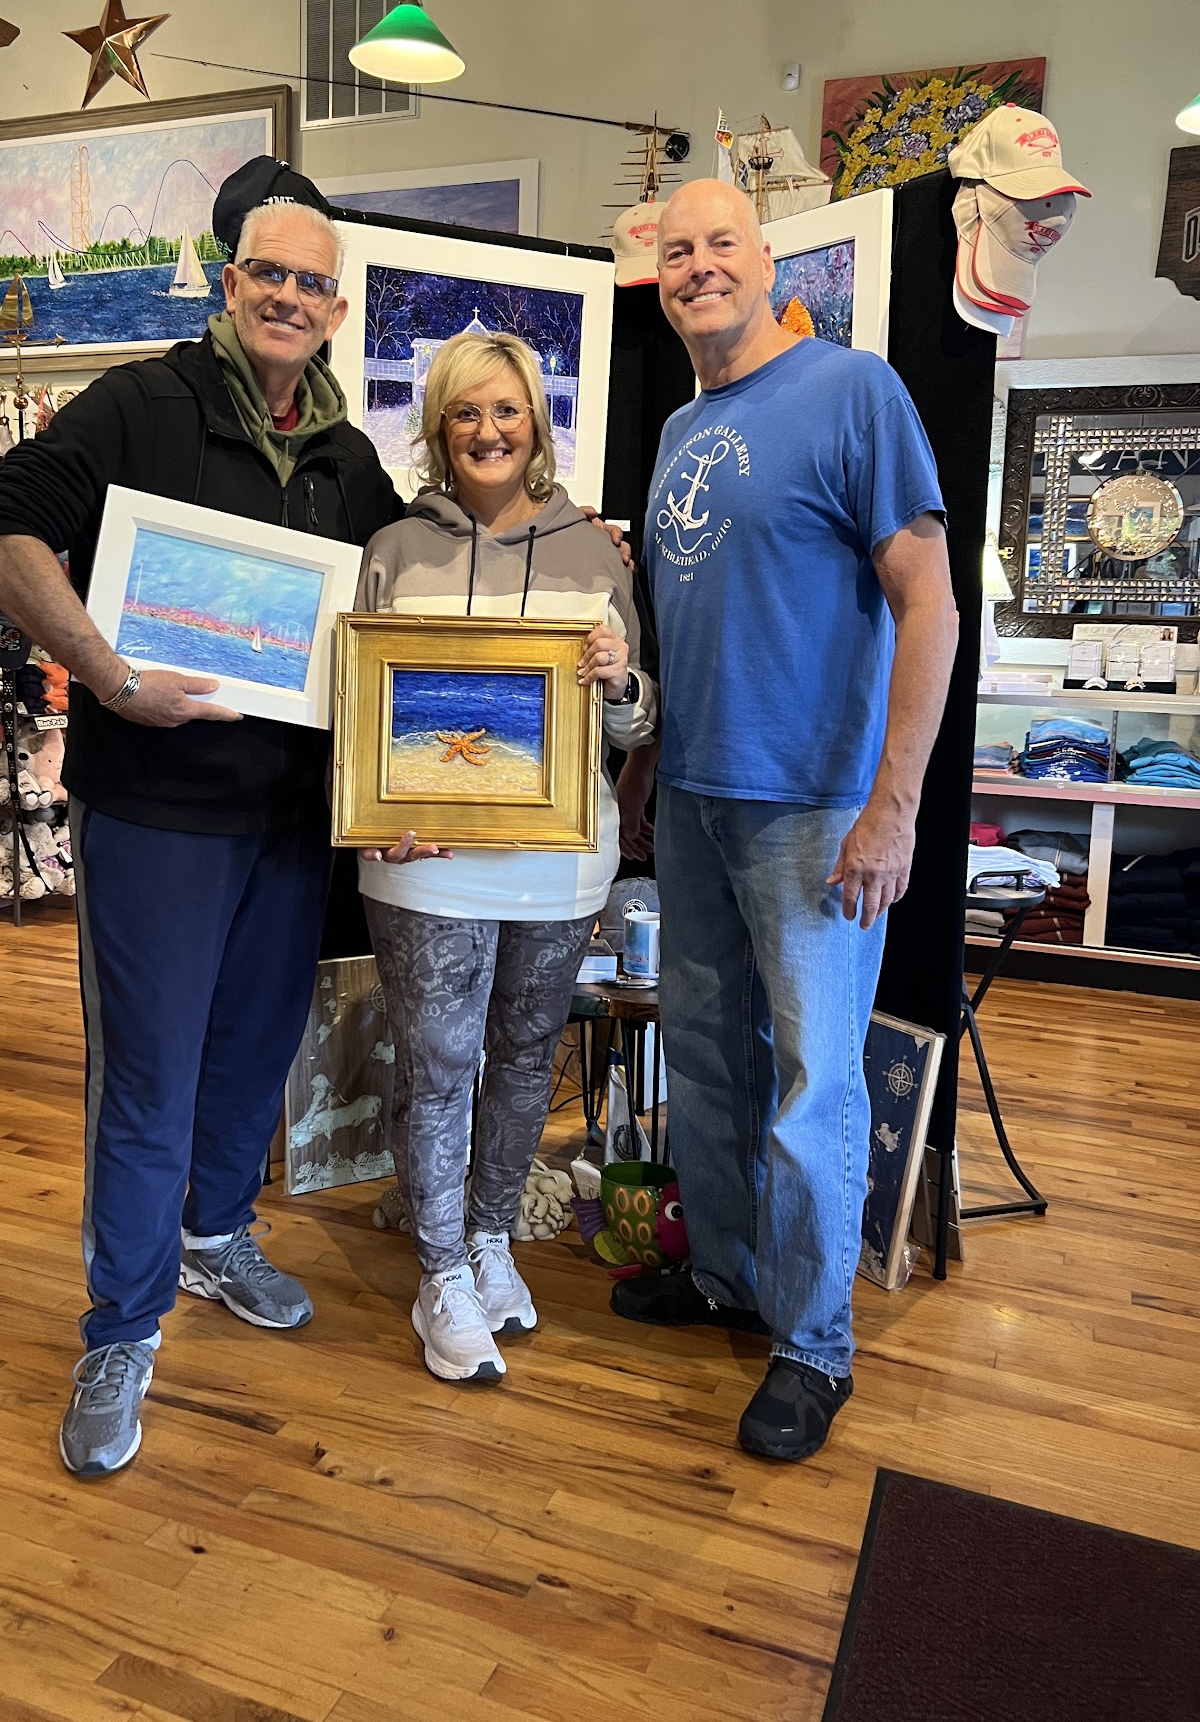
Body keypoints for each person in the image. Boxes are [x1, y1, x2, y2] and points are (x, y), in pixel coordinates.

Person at [0, 162, 403, 1477]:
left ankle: (216, 1236)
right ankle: (122, 1326)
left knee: (254, 1056)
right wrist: (108, 676)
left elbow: (407, 597)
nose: (289, 296)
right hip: (156, 813)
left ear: (336, 311)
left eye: (313, 282)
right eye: (269, 272)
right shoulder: (142, 403)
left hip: (288, 823)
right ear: (228, 280)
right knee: (147, 1077)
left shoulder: (347, 459)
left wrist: (550, 540)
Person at [614, 179, 958, 1461]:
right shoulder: (680, 426)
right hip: (697, 798)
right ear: (657, 279)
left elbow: (930, 606)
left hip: (817, 810)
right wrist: (648, 777)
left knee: (813, 1084)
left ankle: (814, 1345)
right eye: (677, 250)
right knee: (708, 1059)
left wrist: (894, 806)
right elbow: (691, 625)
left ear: (768, 265)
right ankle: (728, 1278)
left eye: (722, 244)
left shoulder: (855, 392)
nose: (699, 266)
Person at [356, 331, 655, 1384]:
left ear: (537, 424)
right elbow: (357, 708)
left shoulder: (596, 554)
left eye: (507, 411)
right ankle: (440, 1272)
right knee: (439, 1066)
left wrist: (622, 682)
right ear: (440, 430)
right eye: (466, 413)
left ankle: (489, 1239)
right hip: (423, 859)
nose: (488, 431)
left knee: (528, 1059)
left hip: (559, 860)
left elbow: (637, 726)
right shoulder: (395, 547)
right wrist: (368, 806)